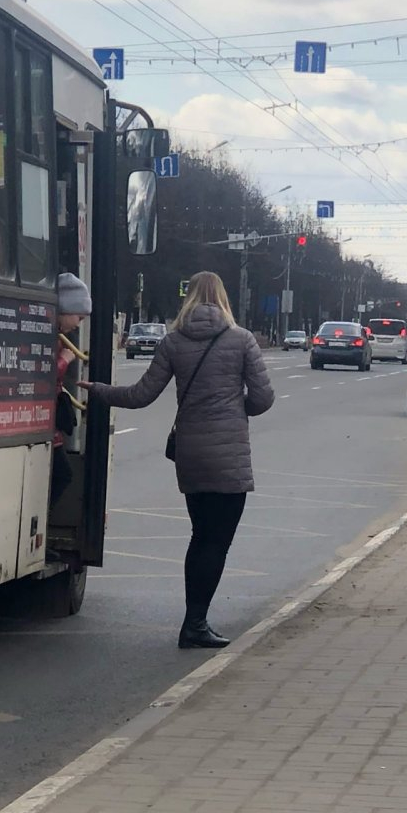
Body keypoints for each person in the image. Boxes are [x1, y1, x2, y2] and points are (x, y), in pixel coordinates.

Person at [80, 272, 274, 648]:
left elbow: (141, 395)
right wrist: (238, 409)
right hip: (229, 454)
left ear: (189, 299)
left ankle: (194, 623)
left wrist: (98, 391)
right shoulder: (242, 339)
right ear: (222, 298)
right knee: (217, 542)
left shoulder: (173, 342)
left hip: (190, 452)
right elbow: (263, 399)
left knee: (199, 535)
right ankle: (195, 623)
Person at [52, 272, 91, 506]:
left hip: (51, 422)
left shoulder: (57, 336)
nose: (78, 324)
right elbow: (41, 375)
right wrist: (65, 360)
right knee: (63, 474)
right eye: (79, 316)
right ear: (65, 309)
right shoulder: (54, 338)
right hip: (46, 422)